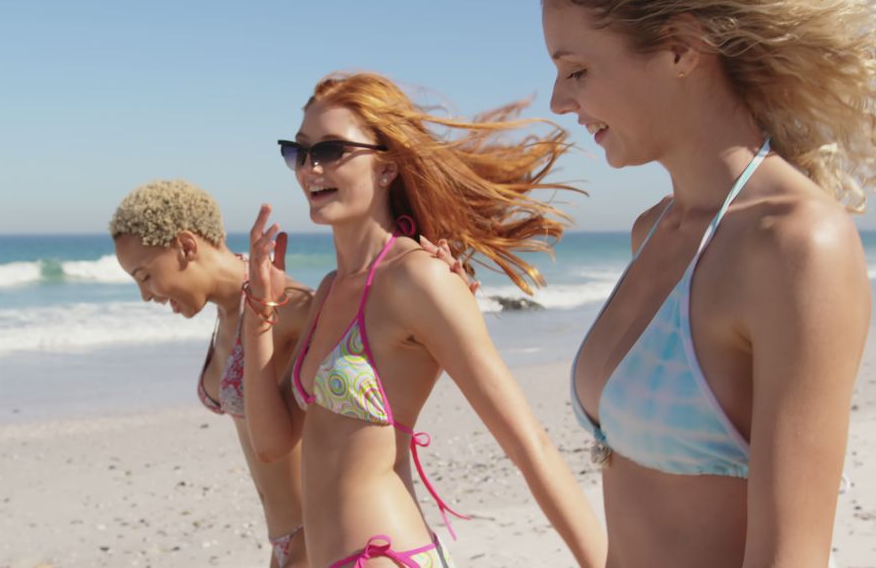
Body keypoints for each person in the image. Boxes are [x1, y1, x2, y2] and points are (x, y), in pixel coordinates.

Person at [542, 0, 875, 565]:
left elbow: (790, 556)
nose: (558, 102)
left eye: (577, 71)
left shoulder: (795, 244)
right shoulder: (653, 230)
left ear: (680, 48)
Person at [242, 72, 607, 567]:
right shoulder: (331, 288)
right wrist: (259, 309)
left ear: (387, 166)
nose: (310, 168)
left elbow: (528, 443)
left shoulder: (418, 279)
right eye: (298, 151)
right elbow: (272, 442)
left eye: (330, 150)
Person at [109, 179, 313, 567]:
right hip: (283, 542)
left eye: (145, 276)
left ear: (187, 246)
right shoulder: (226, 313)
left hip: (318, 537)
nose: (145, 295)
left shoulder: (286, 304)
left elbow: (371, 355)